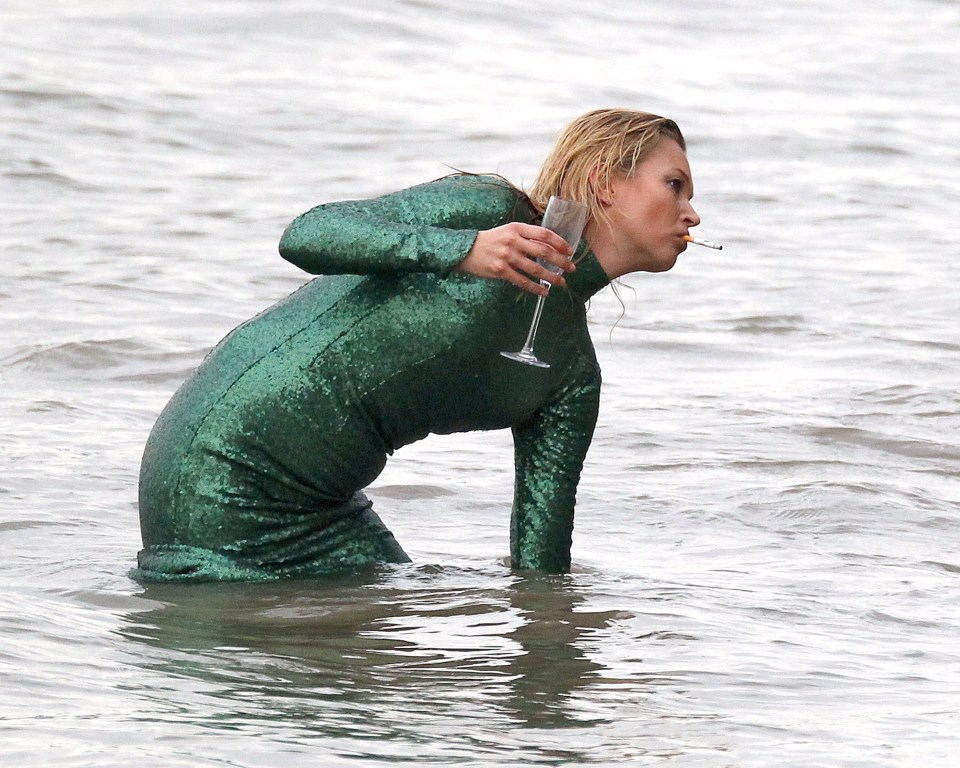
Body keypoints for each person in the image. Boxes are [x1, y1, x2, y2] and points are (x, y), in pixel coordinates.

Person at [132, 108, 701, 582]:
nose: (692, 212)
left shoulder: (572, 374)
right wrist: (460, 250)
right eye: (674, 184)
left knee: (395, 669)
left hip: (326, 515)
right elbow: (306, 234)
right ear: (605, 181)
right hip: (220, 464)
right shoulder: (486, 212)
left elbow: (540, 568)